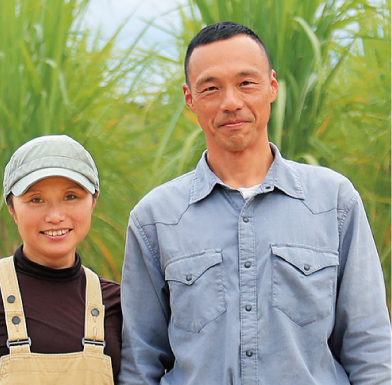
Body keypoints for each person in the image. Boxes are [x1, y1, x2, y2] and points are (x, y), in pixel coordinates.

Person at [118, 21, 392, 385]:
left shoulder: (335, 202)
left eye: (247, 83)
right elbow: (140, 362)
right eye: (211, 88)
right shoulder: (155, 219)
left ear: (272, 86)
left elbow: (370, 348)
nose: (231, 103)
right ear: (190, 99)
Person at [0, 135, 121, 385]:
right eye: (36, 200)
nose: (56, 216)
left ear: (93, 202)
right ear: (12, 209)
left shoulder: (116, 303)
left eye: (71, 197)